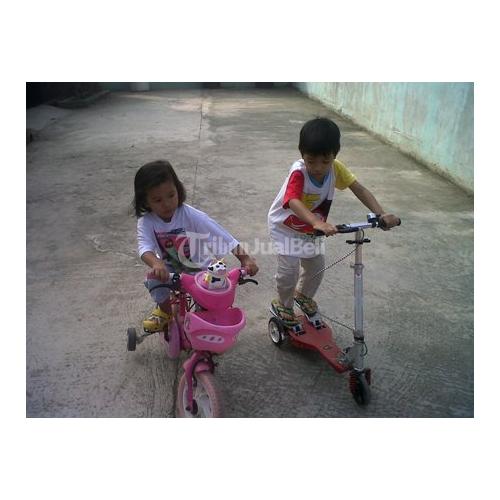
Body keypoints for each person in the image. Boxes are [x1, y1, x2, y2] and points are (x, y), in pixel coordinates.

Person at [268, 117, 399, 327]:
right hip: (285, 227)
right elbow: (292, 200)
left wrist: (381, 213)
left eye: (325, 161)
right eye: (311, 161)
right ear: (302, 154)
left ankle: (303, 295)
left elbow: (359, 189)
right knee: (289, 271)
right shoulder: (299, 172)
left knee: (316, 266)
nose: (318, 167)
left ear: (335, 155)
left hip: (311, 228)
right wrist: (316, 222)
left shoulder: (336, 169)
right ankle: (284, 304)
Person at [134, 160, 259, 332]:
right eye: (158, 200)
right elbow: (144, 247)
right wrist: (156, 263)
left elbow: (220, 235)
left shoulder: (190, 215)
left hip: (200, 272)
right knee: (153, 279)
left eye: (171, 195)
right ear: (146, 201)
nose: (167, 203)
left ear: (178, 190)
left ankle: (208, 315)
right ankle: (165, 312)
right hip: (170, 272)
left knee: (213, 300)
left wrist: (245, 258)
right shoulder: (146, 221)